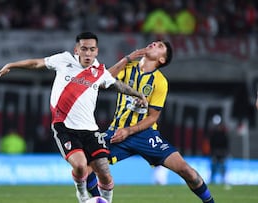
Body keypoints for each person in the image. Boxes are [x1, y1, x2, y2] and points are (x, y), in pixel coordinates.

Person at [0, 31, 147, 203]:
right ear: (77, 49)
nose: (88, 53)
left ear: (96, 51)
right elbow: (37, 63)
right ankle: (82, 194)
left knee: (104, 171)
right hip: (64, 127)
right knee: (81, 165)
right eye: (84, 49)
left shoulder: (99, 71)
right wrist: (12, 64)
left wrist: (137, 94)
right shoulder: (64, 60)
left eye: (91, 49)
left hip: (90, 129)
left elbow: (117, 85)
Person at [86, 41, 215, 203]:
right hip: (117, 131)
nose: (154, 44)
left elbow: (153, 117)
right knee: (85, 164)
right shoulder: (128, 68)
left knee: (186, 170)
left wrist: (129, 131)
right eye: (154, 42)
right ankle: (100, 200)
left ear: (161, 60)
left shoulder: (160, 82)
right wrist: (126, 59)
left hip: (145, 135)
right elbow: (103, 82)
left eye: (160, 46)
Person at [208, 114, 229, 186]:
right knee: (213, 167)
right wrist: (212, 153)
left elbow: (226, 144)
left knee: (222, 167)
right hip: (215, 153)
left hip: (222, 153)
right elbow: (211, 144)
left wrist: (225, 153)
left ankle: (223, 180)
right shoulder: (213, 134)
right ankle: (212, 180)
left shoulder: (224, 134)